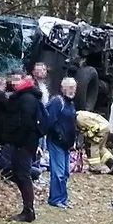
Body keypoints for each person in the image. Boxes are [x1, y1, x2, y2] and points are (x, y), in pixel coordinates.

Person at [2, 75, 43, 222]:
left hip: (24, 143)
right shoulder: (27, 97)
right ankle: (28, 209)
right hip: (25, 143)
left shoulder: (26, 99)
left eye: (18, 80)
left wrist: (17, 140)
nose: (14, 83)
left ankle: (28, 211)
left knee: (23, 174)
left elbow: (25, 123)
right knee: (20, 173)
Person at [46, 78, 77, 209]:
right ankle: (55, 199)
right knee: (58, 172)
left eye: (74, 87)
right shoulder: (57, 102)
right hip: (56, 142)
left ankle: (63, 199)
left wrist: (73, 141)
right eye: (69, 87)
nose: (72, 90)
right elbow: (51, 121)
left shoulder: (71, 103)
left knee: (65, 173)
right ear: (62, 88)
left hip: (67, 144)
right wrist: (59, 136)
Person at [76, 110, 113, 175]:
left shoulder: (79, 119)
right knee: (100, 148)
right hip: (105, 127)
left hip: (100, 129)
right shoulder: (80, 114)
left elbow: (93, 127)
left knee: (92, 146)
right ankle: (112, 163)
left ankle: (95, 168)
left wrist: (88, 136)